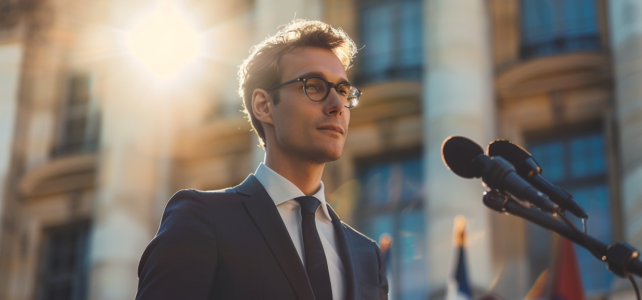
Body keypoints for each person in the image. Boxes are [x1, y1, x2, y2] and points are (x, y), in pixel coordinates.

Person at [135, 19, 388, 300]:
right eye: (314, 86)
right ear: (263, 106)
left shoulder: (368, 256)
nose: (337, 106)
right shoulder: (201, 218)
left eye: (343, 91)